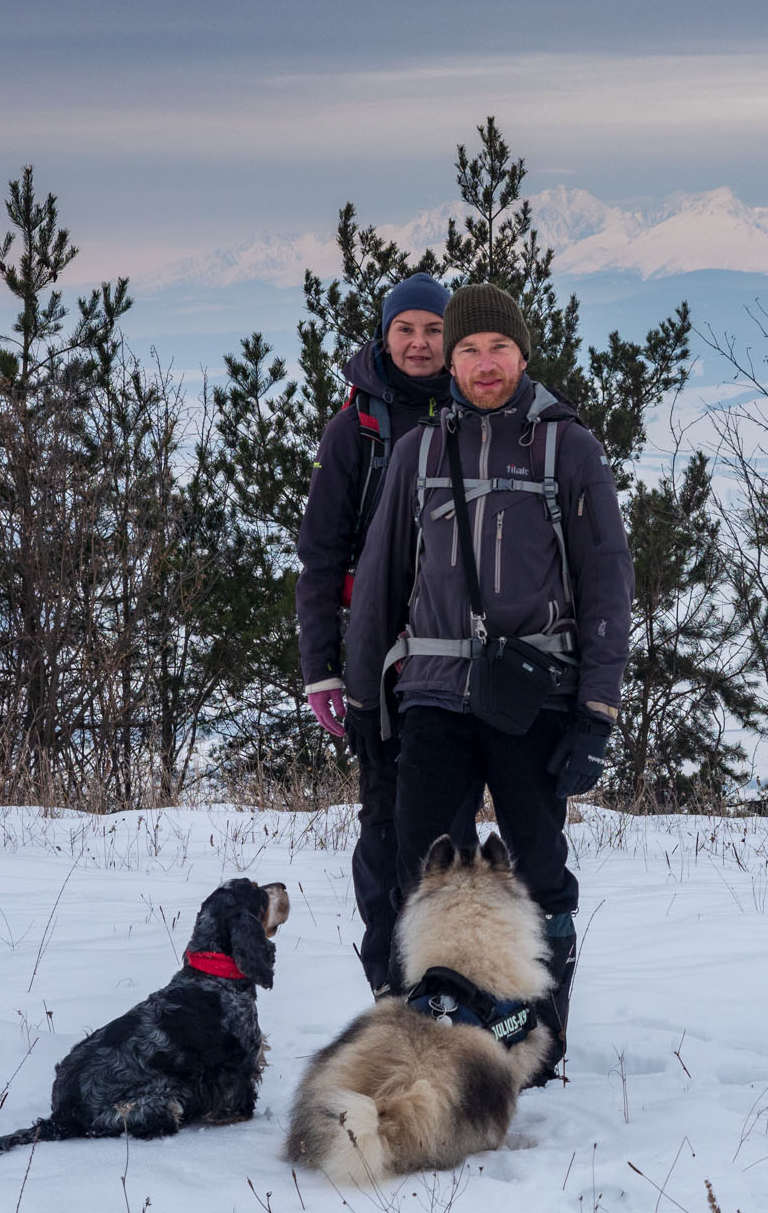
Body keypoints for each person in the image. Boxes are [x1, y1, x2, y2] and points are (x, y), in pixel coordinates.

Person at [343, 282, 632, 1084]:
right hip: (432, 696)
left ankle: (537, 1044)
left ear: (523, 352)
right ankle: (426, 1037)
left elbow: (608, 585)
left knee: (536, 869)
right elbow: (378, 584)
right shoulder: (420, 453)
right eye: (467, 350)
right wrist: (366, 700)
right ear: (453, 364)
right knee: (420, 870)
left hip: (533, 697)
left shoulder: (566, 448)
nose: (482, 363)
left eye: (496, 347)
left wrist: (595, 714)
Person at [295, 271, 452, 997]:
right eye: (404, 330)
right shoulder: (356, 426)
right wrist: (322, 669)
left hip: (463, 652)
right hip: (381, 657)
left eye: (432, 329)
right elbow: (321, 555)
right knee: (385, 818)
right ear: (383, 335)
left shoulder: (479, 410)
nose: (419, 344)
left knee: (451, 822)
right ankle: (391, 985)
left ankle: (455, 983)